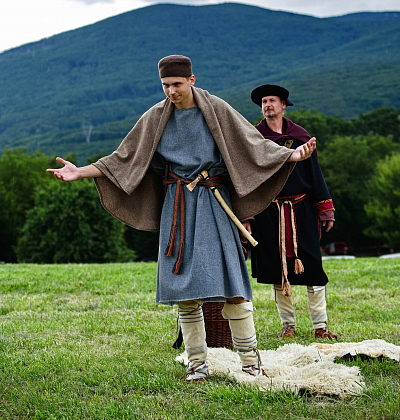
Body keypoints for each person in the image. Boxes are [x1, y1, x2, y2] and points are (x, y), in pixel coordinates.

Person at [47, 56, 316, 382]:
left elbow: (253, 145)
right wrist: (80, 172)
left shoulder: (216, 109)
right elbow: (121, 160)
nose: (171, 91)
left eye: (176, 84)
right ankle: (197, 364)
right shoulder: (156, 117)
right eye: (165, 85)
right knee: (187, 293)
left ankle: (250, 362)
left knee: (235, 287)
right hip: (178, 208)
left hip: (216, 205)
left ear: (191, 79)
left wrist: (291, 155)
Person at [246, 84, 337, 340]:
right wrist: (248, 216)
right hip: (269, 212)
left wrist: (325, 209)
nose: (267, 105)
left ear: (283, 104)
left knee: (313, 268)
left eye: (272, 101)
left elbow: (314, 175)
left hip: (302, 211)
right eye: (264, 101)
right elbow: (249, 180)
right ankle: (288, 325)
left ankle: (321, 325)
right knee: (278, 269)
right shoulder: (255, 139)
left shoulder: (301, 137)